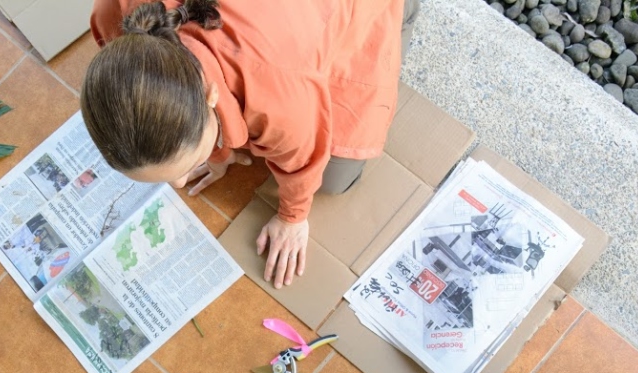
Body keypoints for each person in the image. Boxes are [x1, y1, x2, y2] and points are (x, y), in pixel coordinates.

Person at [83, 0, 419, 289]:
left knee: (333, 179)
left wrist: (292, 218)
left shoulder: (281, 95)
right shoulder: (115, 16)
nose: (180, 183)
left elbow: (304, 159)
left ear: (211, 95)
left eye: (183, 169)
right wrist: (213, 148)